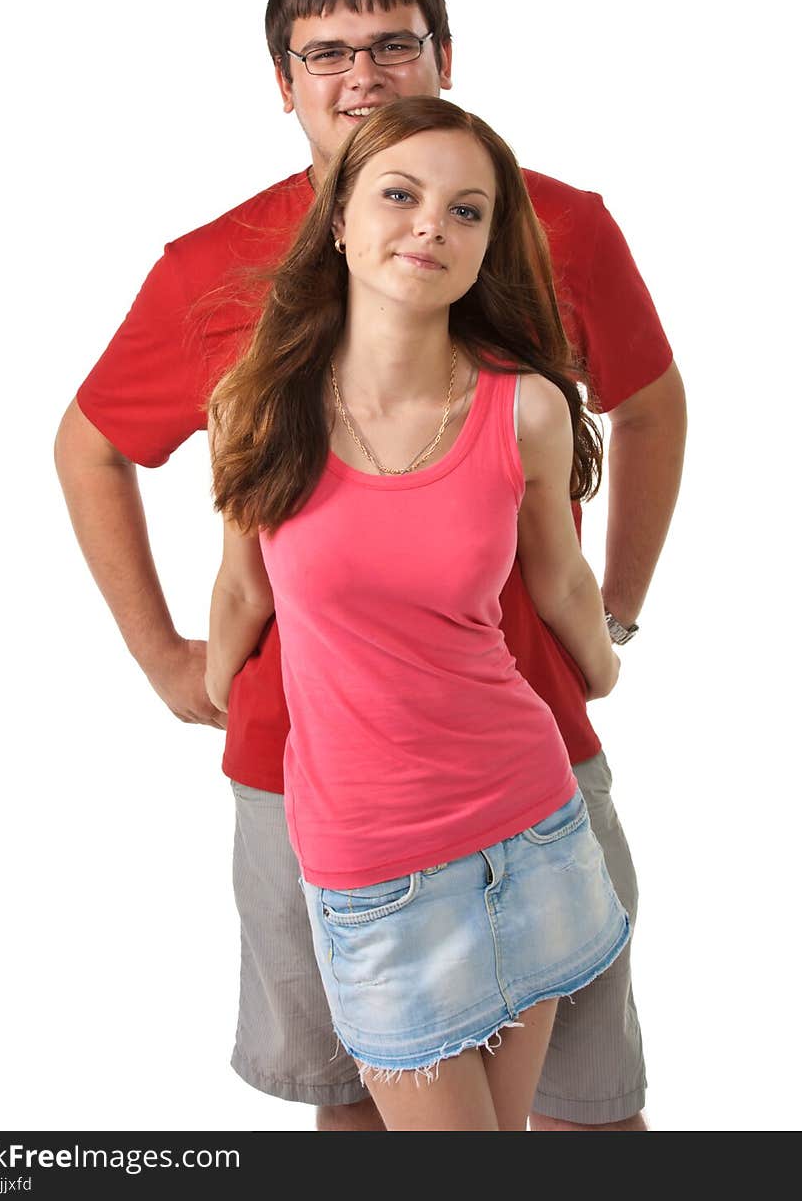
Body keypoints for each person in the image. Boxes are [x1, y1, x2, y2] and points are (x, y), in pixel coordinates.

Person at [54, 0, 686, 1131]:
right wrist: (165, 656)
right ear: (281, 84)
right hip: (303, 776)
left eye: (394, 43)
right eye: (325, 52)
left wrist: (612, 612)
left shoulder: (552, 226)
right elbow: (88, 445)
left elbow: (647, 406)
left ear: (444, 58)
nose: (362, 75)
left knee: (588, 1111)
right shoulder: (209, 272)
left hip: (529, 749)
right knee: (351, 1108)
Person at [204, 96, 632, 1131]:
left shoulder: (523, 406)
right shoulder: (254, 407)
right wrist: (215, 689)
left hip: (531, 829)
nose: (431, 225)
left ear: (490, 247)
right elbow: (241, 591)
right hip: (373, 870)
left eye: (467, 211)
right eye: (400, 195)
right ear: (339, 219)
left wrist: (607, 660)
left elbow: (562, 584)